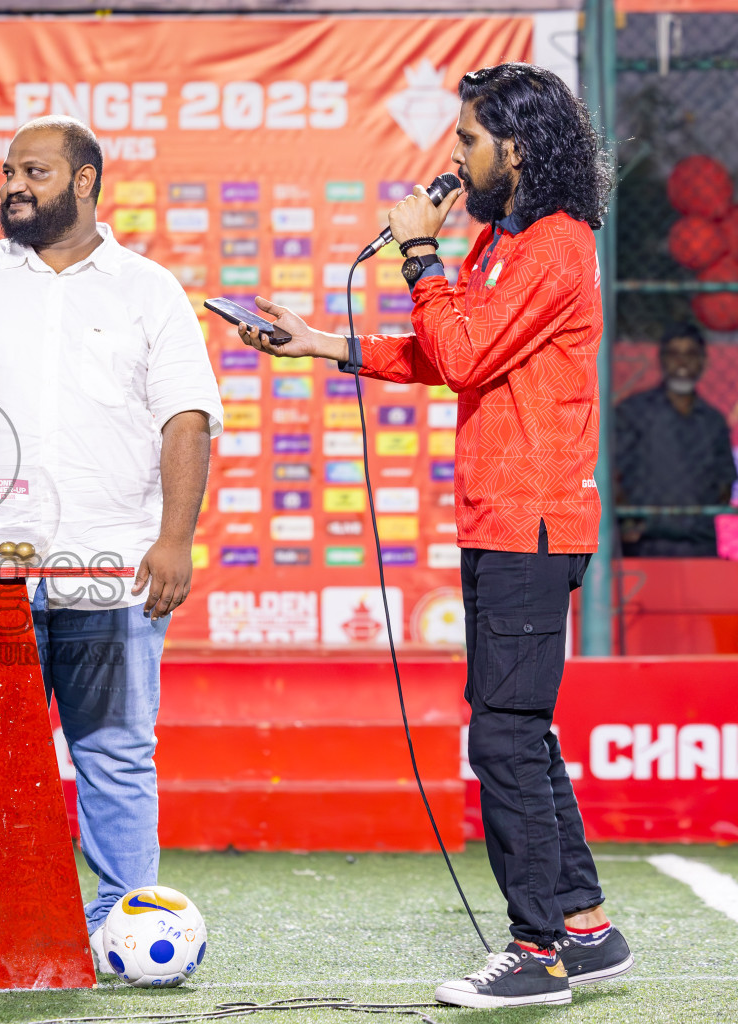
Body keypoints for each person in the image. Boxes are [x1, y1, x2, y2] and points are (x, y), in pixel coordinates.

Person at [236, 64, 632, 1008]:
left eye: (468, 141)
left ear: (517, 148)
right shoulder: (504, 242)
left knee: (502, 736)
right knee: (517, 733)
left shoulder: (555, 245)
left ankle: (536, 954)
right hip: (502, 518)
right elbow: (451, 347)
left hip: (531, 521)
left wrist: (419, 255)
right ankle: (585, 927)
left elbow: (461, 352)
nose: (453, 158)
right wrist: (327, 345)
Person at [0, 115, 224, 973]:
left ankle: (122, 922)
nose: (13, 187)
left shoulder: (148, 289)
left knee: (114, 750)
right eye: (7, 173)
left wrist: (174, 537)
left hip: (112, 569)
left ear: (85, 182)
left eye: (33, 171)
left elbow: (187, 417)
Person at [615, 324, 737, 557]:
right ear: (662, 359)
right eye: (674, 354)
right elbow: (612, 472)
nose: (682, 363)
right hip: (646, 543)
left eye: (690, 354)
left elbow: (725, 481)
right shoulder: (633, 412)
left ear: (703, 361)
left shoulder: (713, 421)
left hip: (700, 544)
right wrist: (629, 521)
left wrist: (696, 511)